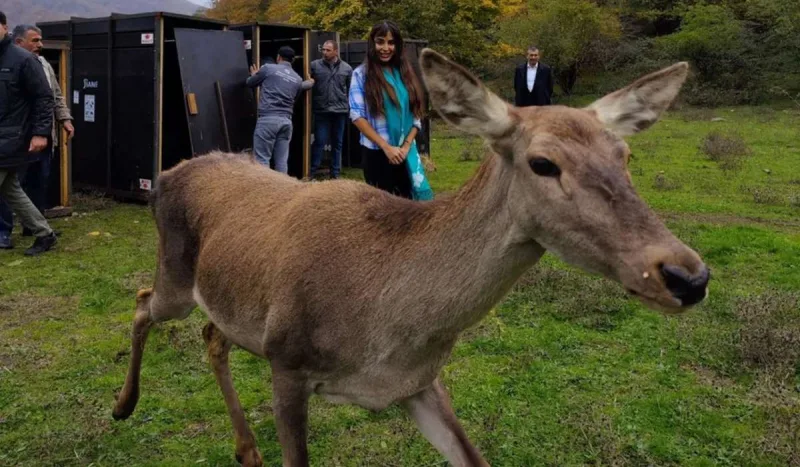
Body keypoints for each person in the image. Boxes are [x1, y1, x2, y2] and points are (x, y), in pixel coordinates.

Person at [0, 24, 74, 240]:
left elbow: (50, 97)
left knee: (36, 182)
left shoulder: (32, 62)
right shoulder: (11, 61)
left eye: (40, 40)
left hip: (28, 137)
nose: (40, 45)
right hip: (15, 138)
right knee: (12, 188)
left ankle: (30, 229)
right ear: (19, 40)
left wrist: (59, 121)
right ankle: (34, 231)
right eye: (35, 40)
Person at [348, 21, 432, 200]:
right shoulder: (361, 74)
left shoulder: (404, 74)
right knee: (382, 213)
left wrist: (407, 145)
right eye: (380, 42)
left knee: (410, 208)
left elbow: (416, 115)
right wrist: (387, 147)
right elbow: (357, 116)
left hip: (406, 154)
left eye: (391, 42)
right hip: (378, 154)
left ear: (398, 45)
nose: (385, 48)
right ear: (372, 43)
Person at [246, 46, 314, 173]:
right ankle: (283, 191)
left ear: (278, 57)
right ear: (292, 60)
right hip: (286, 122)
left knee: (262, 160)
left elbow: (250, 83)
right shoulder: (297, 79)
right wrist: (311, 82)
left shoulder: (268, 69)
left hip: (268, 120)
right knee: (281, 162)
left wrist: (255, 75)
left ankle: (263, 190)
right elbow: (300, 90)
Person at [309, 40, 352, 180]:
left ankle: (335, 174)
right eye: (323, 50)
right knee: (319, 141)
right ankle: (312, 172)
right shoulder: (314, 66)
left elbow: (350, 89)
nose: (325, 52)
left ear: (336, 51)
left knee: (337, 143)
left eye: (328, 50)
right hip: (322, 109)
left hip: (340, 111)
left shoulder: (347, 68)